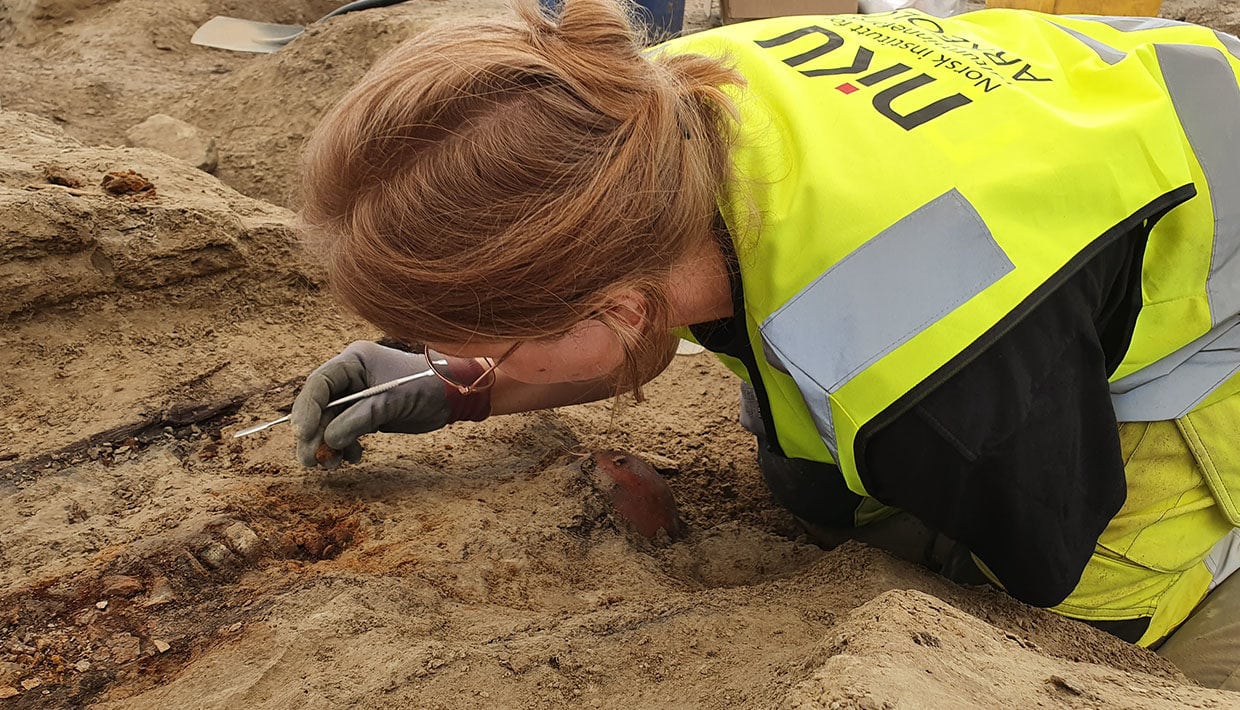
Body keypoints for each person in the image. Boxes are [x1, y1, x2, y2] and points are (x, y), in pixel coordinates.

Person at [289, 0, 1240, 689]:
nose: (465, 364)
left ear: (621, 308)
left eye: (483, 350)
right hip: (1116, 113)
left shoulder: (924, 368)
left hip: (1214, 251)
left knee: (1072, 612)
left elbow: (1042, 542)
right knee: (820, 488)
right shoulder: (650, 110)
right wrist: (468, 385)